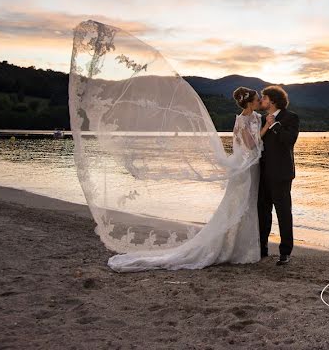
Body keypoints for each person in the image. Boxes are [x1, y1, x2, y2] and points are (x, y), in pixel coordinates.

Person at [106, 87, 264, 272]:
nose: (259, 99)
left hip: (253, 165)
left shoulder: (256, 118)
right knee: (237, 205)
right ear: (249, 102)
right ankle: (230, 248)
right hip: (242, 167)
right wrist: (267, 127)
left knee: (249, 204)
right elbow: (250, 144)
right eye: (256, 98)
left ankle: (245, 248)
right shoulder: (242, 121)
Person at [257, 85, 299, 265]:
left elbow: (289, 141)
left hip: (281, 174)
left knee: (283, 213)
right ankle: (262, 248)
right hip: (262, 173)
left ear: (272, 100)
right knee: (263, 212)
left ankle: (285, 252)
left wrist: (274, 125)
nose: (261, 101)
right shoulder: (261, 120)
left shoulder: (291, 118)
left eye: (264, 98)